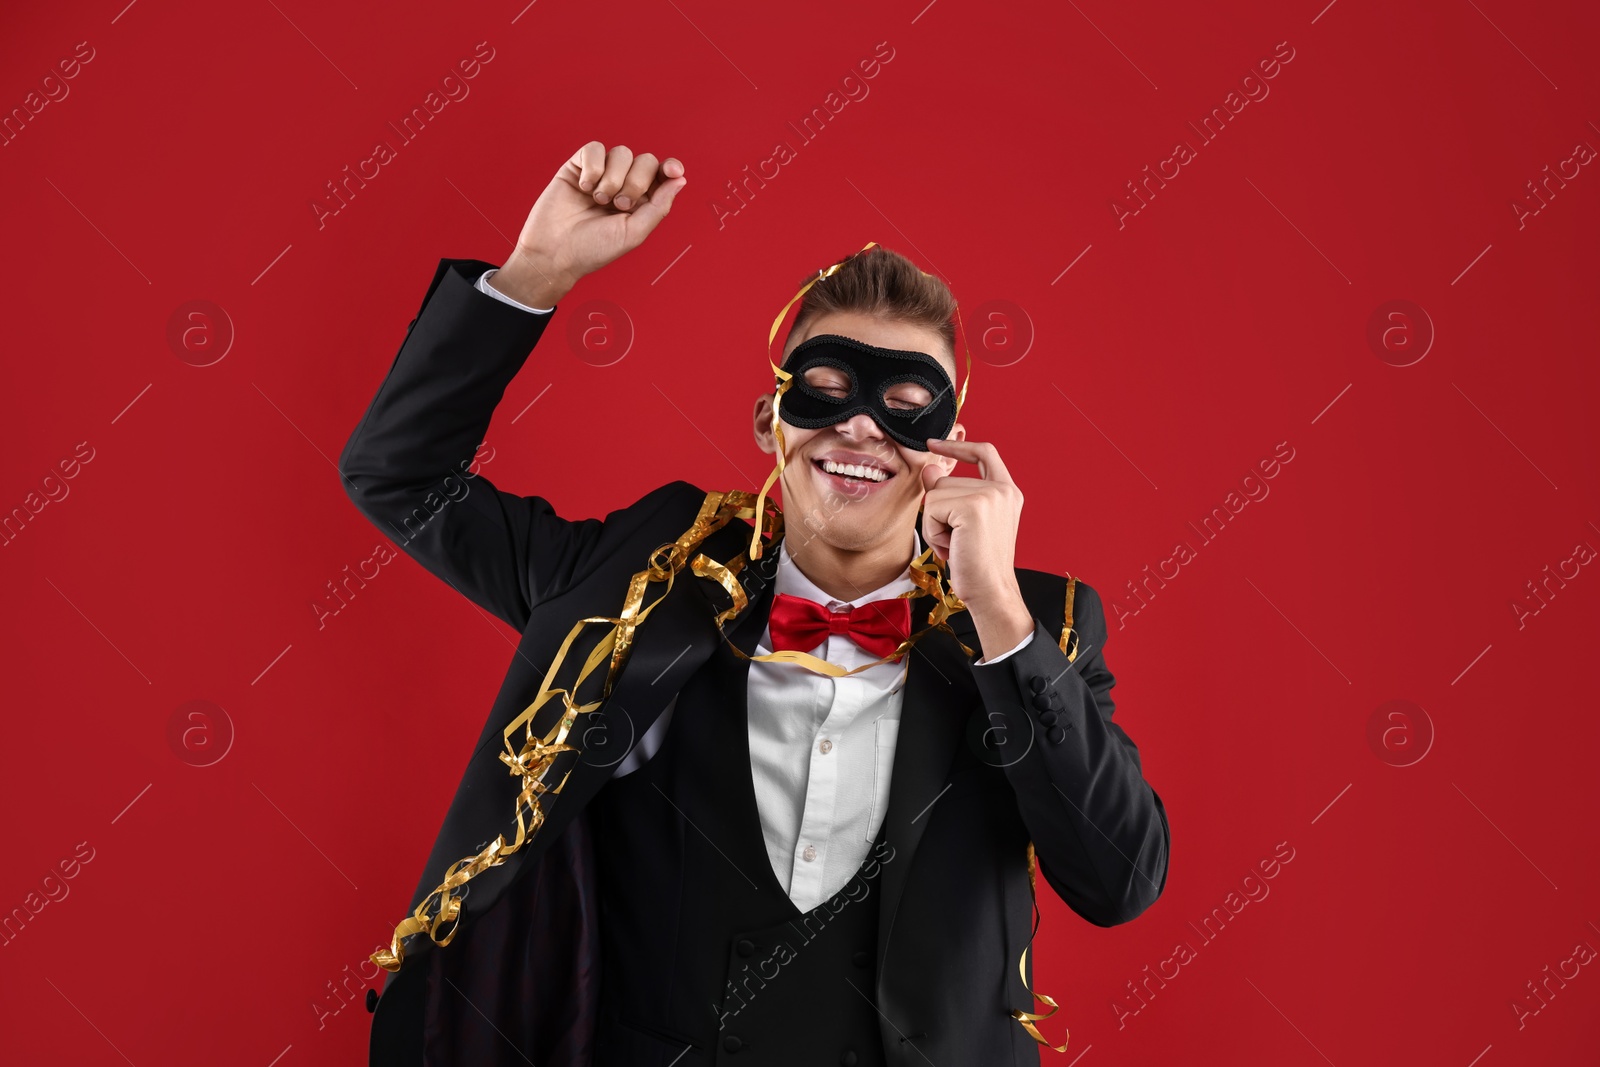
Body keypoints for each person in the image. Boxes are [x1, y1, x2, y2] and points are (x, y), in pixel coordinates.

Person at [341, 141, 1170, 1067]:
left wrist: (1001, 622)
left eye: (904, 404)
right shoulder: (632, 580)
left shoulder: (1041, 627)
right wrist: (536, 273)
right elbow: (398, 475)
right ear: (768, 420)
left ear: (950, 452)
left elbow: (1121, 880)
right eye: (825, 389)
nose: (859, 425)